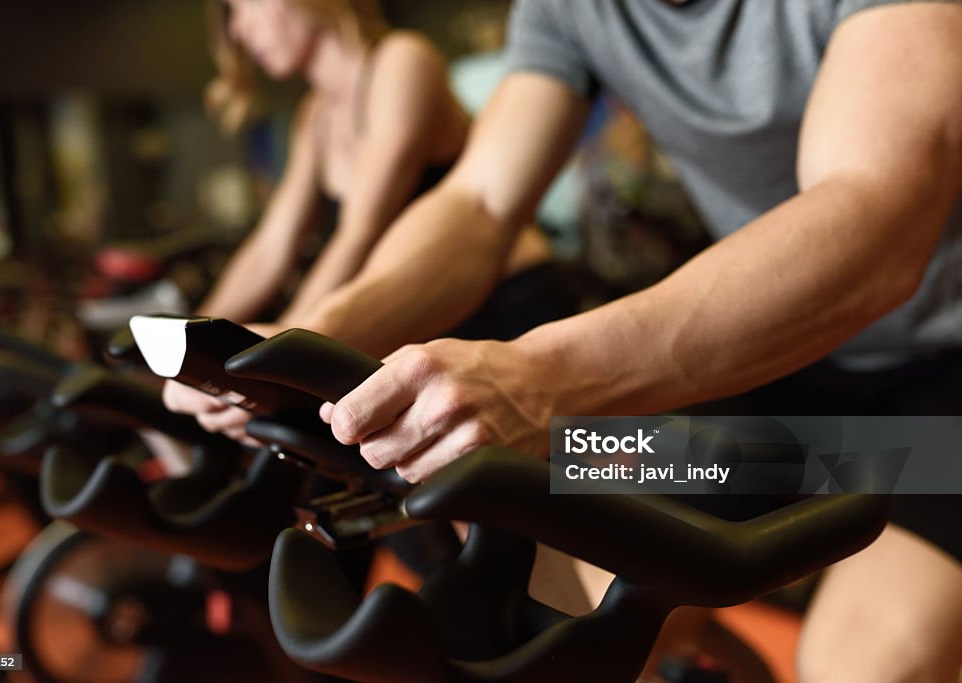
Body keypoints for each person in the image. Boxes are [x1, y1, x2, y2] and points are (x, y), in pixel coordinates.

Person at [279, 1, 958, 681]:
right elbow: (480, 202)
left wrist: (541, 373)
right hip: (775, 368)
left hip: (941, 392)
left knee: (860, 667)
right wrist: (302, 341)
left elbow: (880, 216)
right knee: (560, 618)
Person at [164, 0, 565, 441]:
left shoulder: (400, 61)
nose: (238, 31)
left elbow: (359, 235)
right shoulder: (314, 116)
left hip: (506, 304)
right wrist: (183, 344)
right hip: (415, 312)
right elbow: (269, 247)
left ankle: (646, 470)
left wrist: (276, 355)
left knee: (579, 474)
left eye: (245, 6)